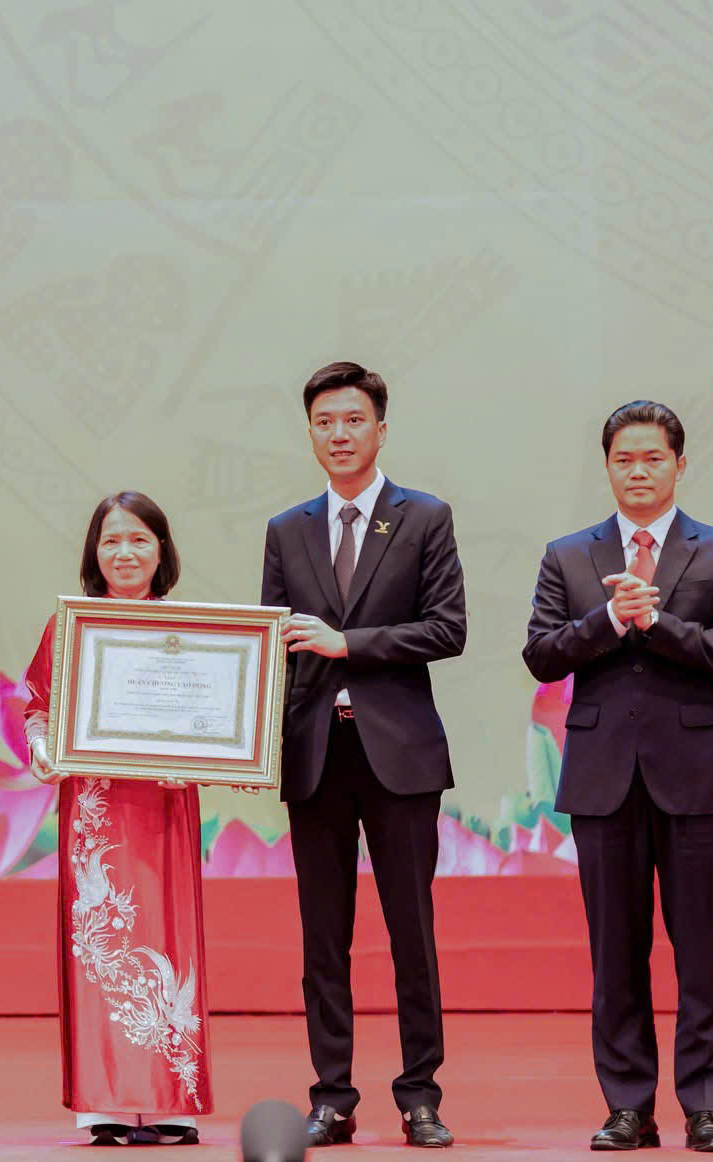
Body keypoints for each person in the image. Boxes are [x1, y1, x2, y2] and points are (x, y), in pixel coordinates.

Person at [522, 402, 713, 1155]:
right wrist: (609, 620)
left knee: (704, 955)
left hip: (698, 781)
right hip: (604, 782)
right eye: (623, 459)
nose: (638, 471)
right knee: (616, 956)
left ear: (679, 465)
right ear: (607, 466)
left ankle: (705, 1108)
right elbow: (541, 654)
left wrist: (659, 625)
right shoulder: (569, 555)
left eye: (653, 458)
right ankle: (628, 1108)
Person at [260, 362, 465, 1150]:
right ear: (310, 432)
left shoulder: (425, 517)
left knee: (412, 932)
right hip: (314, 754)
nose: (339, 435)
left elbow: (447, 628)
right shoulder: (287, 529)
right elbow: (273, 650)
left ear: (381, 428)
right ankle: (332, 1096)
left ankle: (420, 1096)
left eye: (352, 420)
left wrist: (347, 643)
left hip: (399, 754)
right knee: (323, 939)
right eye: (324, 422)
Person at [22, 491, 210, 1146]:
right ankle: (102, 1101)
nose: (124, 552)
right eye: (111, 540)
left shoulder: (192, 631)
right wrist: (43, 750)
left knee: (168, 938)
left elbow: (214, 721)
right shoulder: (70, 626)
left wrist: (198, 757)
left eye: (138, 539)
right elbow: (38, 707)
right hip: (95, 812)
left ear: (162, 551)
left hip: (165, 805)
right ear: (93, 553)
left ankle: (171, 1102)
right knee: (101, 946)